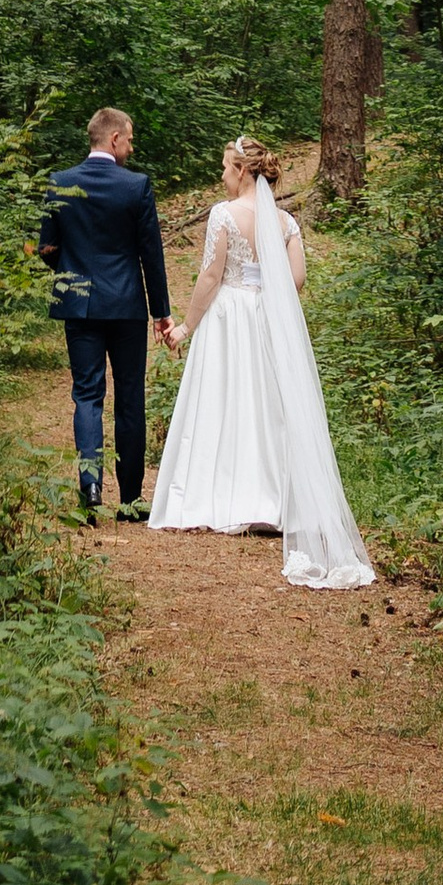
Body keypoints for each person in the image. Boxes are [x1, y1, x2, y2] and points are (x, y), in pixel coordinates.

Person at [149, 135, 373, 589]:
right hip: (268, 318)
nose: (223, 176)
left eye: (227, 169)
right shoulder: (286, 223)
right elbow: (296, 279)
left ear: (243, 171)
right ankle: (274, 500)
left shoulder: (224, 216)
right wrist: (268, 301)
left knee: (225, 400)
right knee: (269, 407)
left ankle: (221, 496)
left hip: (229, 315)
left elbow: (211, 276)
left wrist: (186, 328)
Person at [37, 103, 173, 521]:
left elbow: (46, 248)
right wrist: (160, 312)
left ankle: (90, 486)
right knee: (130, 397)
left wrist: (70, 269)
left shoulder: (60, 183)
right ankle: (130, 500)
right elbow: (151, 255)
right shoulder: (136, 187)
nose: (131, 148)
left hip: (79, 306)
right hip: (128, 306)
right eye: (129, 139)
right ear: (113, 138)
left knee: (87, 395)